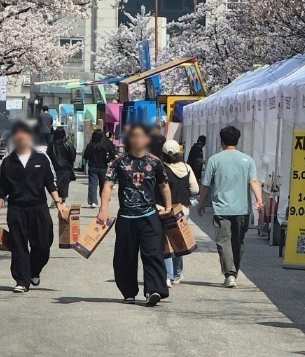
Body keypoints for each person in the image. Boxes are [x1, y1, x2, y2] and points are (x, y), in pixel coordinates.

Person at [97, 123, 171, 306]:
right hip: (127, 217)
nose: (138, 140)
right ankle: (128, 291)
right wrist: (103, 210)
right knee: (125, 256)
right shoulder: (119, 162)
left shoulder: (155, 162)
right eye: (134, 136)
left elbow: (164, 185)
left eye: (141, 136)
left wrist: (169, 206)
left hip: (149, 215)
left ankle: (153, 290)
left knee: (153, 253)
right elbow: (107, 186)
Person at [0, 120, 66, 293]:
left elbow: (51, 183)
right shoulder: (8, 162)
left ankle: (34, 270)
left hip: (38, 208)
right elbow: (1, 191)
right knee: (18, 246)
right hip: (16, 209)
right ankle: (21, 281)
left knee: (43, 245)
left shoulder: (41, 158)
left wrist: (59, 204)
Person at [197, 124, 263, 287]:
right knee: (238, 241)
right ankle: (234, 271)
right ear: (238, 141)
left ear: (222, 141)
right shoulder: (247, 160)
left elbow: (206, 184)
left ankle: (230, 273)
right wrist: (259, 200)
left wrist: (201, 202)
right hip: (242, 208)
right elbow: (253, 181)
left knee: (224, 240)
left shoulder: (214, 159)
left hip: (221, 208)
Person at [159, 139, 199, 285]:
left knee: (166, 242)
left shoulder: (162, 168)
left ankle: (168, 275)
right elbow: (195, 189)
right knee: (179, 240)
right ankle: (177, 273)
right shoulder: (187, 168)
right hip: (183, 210)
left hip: (166, 208)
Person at [79, 129, 114, 207]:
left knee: (92, 185)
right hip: (104, 166)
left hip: (92, 167)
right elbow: (113, 153)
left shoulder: (91, 145)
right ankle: (104, 200)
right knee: (104, 185)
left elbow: (85, 156)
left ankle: (92, 201)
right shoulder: (107, 144)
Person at [47, 127, 77, 202]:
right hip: (66, 168)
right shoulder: (68, 144)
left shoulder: (51, 145)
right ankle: (63, 201)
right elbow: (72, 156)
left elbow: (48, 156)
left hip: (54, 167)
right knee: (64, 185)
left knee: (55, 184)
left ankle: (56, 199)